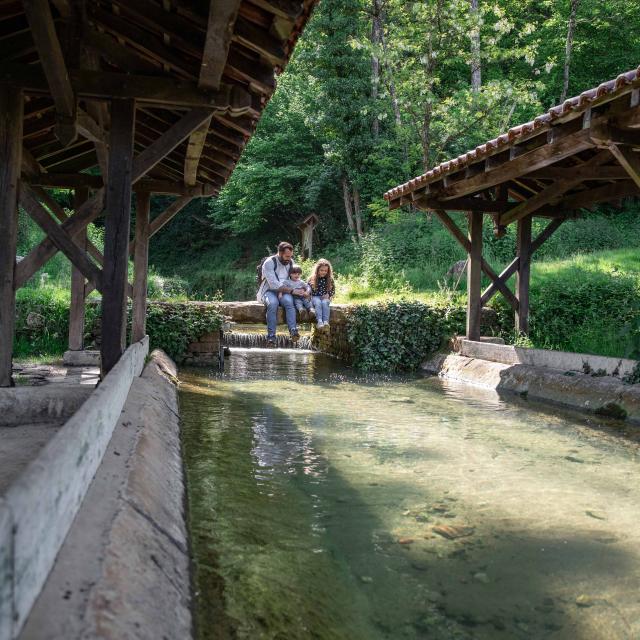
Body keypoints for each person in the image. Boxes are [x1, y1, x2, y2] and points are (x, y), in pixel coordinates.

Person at [256, 241, 303, 346]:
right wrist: (292, 291)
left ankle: (293, 331)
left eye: (290, 256)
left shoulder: (290, 262)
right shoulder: (269, 262)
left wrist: (301, 289)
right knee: (273, 304)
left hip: (285, 291)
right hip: (268, 290)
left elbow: (293, 279)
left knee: (289, 302)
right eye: (287, 256)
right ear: (280, 253)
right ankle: (271, 337)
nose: (289, 258)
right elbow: (273, 284)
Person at [308, 258, 335, 330]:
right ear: (317, 270)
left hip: (325, 297)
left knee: (325, 303)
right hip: (315, 297)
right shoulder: (312, 278)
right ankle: (319, 321)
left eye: (325, 271)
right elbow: (308, 289)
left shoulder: (330, 279)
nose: (323, 272)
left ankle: (326, 322)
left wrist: (328, 294)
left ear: (328, 271)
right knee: (318, 302)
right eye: (321, 270)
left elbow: (333, 290)